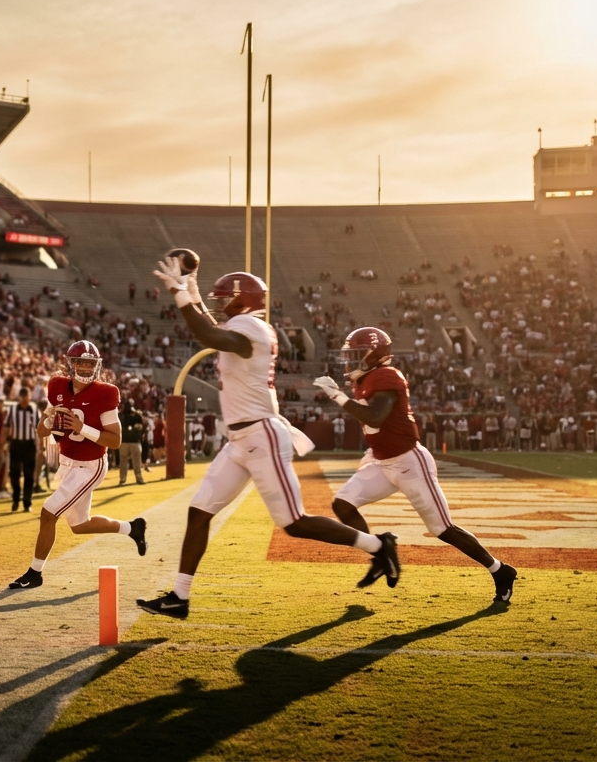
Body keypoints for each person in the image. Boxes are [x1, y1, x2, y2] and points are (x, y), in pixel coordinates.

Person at [137, 261, 399, 619]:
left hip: (261, 435)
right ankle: (179, 597)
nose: (219, 305)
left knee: (294, 523)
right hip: (240, 439)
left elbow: (210, 336)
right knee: (199, 512)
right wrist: (192, 290)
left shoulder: (252, 328)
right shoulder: (244, 325)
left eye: (224, 299)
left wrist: (181, 294)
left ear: (242, 302)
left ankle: (377, 545)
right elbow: (215, 330)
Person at [316, 327, 516, 602]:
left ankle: (500, 570)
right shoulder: (364, 378)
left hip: (409, 462)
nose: (352, 360)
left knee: (443, 529)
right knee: (343, 504)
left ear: (375, 354)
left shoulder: (386, 375)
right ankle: (379, 552)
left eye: (358, 354)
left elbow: (375, 417)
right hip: (380, 461)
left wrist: (338, 397)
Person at [9, 341, 146, 590]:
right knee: (80, 526)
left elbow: (115, 441)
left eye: (89, 363)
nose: (84, 367)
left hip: (91, 465)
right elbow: (41, 429)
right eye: (80, 362)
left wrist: (82, 428)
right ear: (69, 364)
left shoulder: (105, 393)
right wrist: (49, 418)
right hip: (68, 464)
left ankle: (35, 573)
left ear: (97, 365)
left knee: (48, 513)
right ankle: (133, 528)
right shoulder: (57, 386)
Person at [7, 387, 39, 512]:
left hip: (29, 445)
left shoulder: (34, 409)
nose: (25, 401)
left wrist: (41, 444)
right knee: (14, 473)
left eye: (27, 398)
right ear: (19, 398)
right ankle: (15, 499)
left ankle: (27, 502)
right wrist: (3, 442)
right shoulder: (13, 409)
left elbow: (39, 427)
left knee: (29, 474)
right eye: (23, 399)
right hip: (16, 444)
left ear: (29, 397)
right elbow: (6, 426)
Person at [117, 399, 146, 486]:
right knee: (136, 461)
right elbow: (142, 426)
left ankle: (123, 478)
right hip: (134, 441)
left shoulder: (121, 415)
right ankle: (138, 477)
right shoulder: (137, 415)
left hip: (125, 441)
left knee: (124, 461)